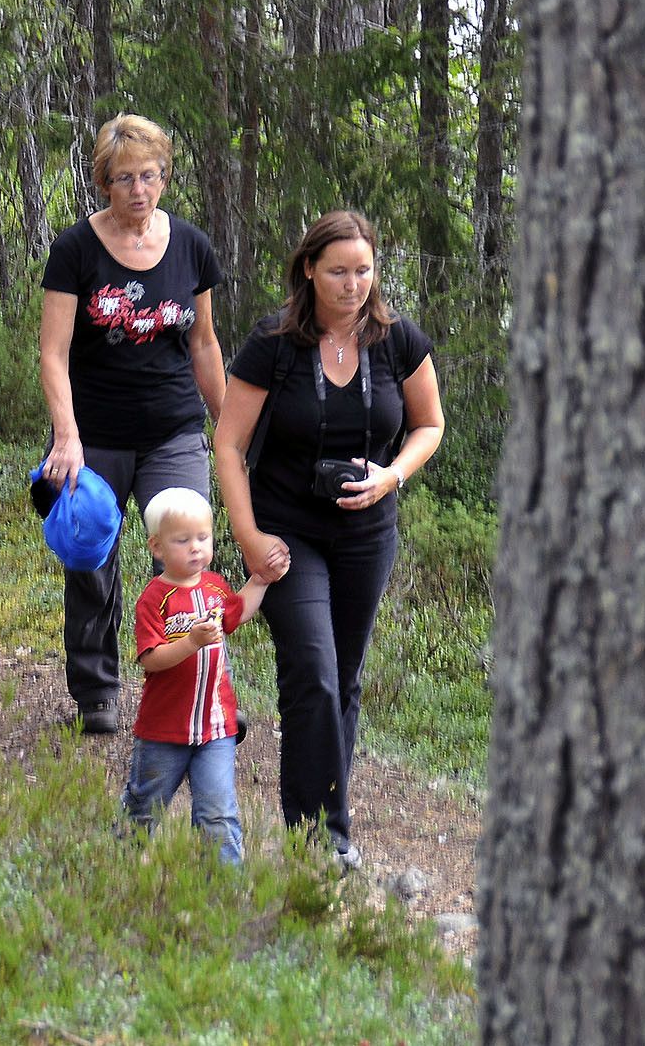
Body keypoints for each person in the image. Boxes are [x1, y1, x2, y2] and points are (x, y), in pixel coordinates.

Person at [213, 210, 444, 871]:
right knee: (311, 671)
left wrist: (392, 474)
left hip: (367, 531)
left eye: (363, 270)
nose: (352, 284)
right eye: (338, 270)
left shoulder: (398, 341)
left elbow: (430, 424)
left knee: (342, 676)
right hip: (288, 529)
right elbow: (228, 446)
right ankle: (320, 839)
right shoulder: (274, 343)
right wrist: (248, 535)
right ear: (309, 269)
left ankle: (325, 831)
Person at [38, 113, 226, 735]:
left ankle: (188, 683)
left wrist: (227, 424)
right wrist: (67, 437)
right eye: (124, 179)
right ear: (103, 183)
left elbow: (202, 343)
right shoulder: (74, 251)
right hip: (94, 432)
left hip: (172, 427)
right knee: (90, 556)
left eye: (149, 176)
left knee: (184, 553)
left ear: (165, 178)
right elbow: (54, 352)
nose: (138, 190)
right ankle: (96, 691)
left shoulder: (192, 246)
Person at [123, 486, 274, 866]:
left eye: (203, 538)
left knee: (217, 815)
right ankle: (116, 874)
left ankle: (224, 896)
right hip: (162, 731)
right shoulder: (153, 599)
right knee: (143, 808)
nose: (195, 547)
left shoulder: (216, 588)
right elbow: (151, 659)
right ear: (157, 548)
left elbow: (237, 613)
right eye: (183, 540)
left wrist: (261, 581)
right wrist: (190, 642)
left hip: (216, 727)